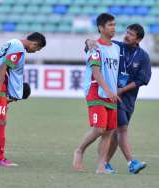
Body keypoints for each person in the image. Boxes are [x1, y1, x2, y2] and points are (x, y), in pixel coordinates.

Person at [72, 13, 120, 174]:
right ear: (101, 28)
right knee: (99, 129)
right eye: (110, 25)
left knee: (108, 132)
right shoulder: (95, 48)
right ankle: (79, 150)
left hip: (111, 94)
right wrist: (108, 91)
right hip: (97, 92)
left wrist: (113, 91)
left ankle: (101, 166)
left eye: (114, 24)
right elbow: (96, 72)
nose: (114, 28)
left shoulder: (116, 48)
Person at [0, 32, 46, 166]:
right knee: (0, 122)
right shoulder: (19, 49)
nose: (35, 51)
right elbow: (4, 66)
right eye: (37, 49)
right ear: (34, 43)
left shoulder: (13, 41)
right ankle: (0, 158)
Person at [105, 24, 151, 174]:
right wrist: (89, 43)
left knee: (115, 133)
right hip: (114, 97)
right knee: (122, 129)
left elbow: (143, 80)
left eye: (131, 34)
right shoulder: (116, 47)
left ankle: (104, 163)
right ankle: (132, 162)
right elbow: (99, 44)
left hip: (129, 100)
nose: (127, 35)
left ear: (138, 39)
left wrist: (123, 89)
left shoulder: (143, 56)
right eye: (127, 32)